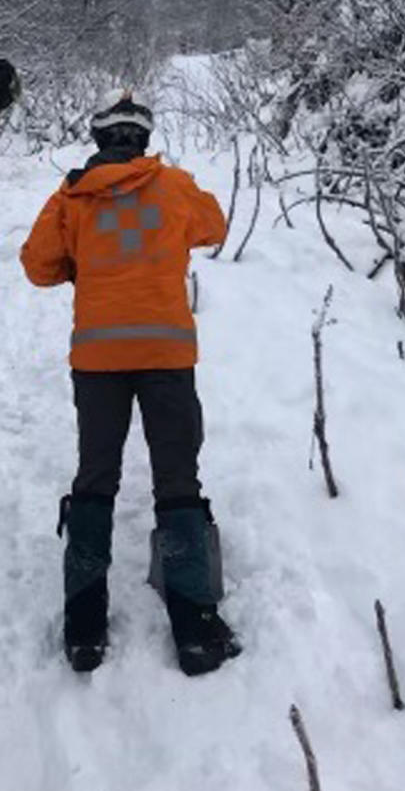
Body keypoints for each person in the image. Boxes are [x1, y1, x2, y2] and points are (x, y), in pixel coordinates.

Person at [19, 90, 240, 676]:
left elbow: (37, 265)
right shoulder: (173, 186)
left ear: (98, 140)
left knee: (95, 480)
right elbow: (214, 226)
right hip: (167, 352)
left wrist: (78, 254)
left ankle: (84, 631)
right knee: (177, 481)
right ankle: (196, 632)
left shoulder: (72, 196)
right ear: (143, 138)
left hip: (97, 359)